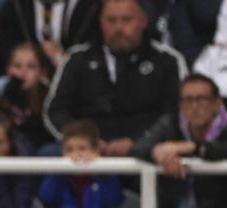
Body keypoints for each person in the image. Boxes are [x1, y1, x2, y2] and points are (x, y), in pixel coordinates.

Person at [43, 0, 187, 154]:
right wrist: (80, 140)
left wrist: (139, 143)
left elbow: (174, 113)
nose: (119, 28)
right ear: (101, 22)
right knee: (48, 153)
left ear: (143, 21)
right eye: (111, 20)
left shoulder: (167, 61)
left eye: (126, 19)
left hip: (149, 152)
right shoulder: (77, 59)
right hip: (86, 153)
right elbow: (55, 111)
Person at [132, 74, 227, 208]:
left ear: (217, 103)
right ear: (180, 105)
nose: (194, 106)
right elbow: (138, 148)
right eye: (188, 100)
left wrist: (194, 148)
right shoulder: (170, 124)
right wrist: (157, 154)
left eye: (201, 99)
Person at [37, 119, 124, 208]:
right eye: (69, 150)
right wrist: (58, 172)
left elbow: (114, 200)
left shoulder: (102, 175)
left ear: (95, 150)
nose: (75, 155)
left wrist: (103, 171)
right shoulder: (60, 176)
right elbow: (46, 197)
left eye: (82, 148)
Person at [0, 41, 57, 154]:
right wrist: (11, 96)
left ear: (42, 72)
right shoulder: (0, 92)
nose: (23, 72)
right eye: (17, 66)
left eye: (31, 66)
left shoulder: (50, 97)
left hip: (38, 151)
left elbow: (45, 137)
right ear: (8, 70)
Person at [0, 0, 101, 73]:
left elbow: (92, 54)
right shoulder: (15, 6)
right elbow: (6, 50)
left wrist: (64, 61)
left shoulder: (89, 7)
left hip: (73, 74)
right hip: (24, 74)